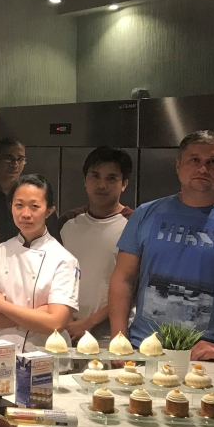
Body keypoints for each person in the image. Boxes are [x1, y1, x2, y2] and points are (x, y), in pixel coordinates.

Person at [110, 130, 214, 360]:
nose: (203, 168)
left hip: (208, 356)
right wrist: (119, 340)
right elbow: (123, 279)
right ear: (178, 165)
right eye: (194, 160)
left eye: (213, 162)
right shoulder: (145, 214)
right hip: (143, 349)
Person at [0, 175, 79, 354]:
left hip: (45, 357)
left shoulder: (63, 259)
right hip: (1, 355)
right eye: (19, 205)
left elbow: (55, 323)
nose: (26, 214)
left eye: (35, 206)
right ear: (11, 207)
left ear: (49, 211)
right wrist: (37, 315)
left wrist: (2, 306)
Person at [57, 147, 134, 344]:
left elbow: (135, 285)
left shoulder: (134, 224)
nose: (102, 184)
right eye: (95, 176)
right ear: (85, 180)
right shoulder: (67, 222)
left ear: (124, 184)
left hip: (112, 335)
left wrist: (89, 322)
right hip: (67, 330)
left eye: (111, 178)